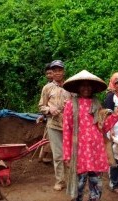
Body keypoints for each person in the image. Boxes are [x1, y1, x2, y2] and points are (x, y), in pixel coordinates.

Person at [62, 70, 118, 201]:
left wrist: (116, 115)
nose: (86, 88)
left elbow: (104, 127)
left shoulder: (97, 105)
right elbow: (67, 131)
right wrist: (67, 154)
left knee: (95, 187)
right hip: (79, 154)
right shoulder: (70, 105)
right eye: (83, 85)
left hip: (95, 153)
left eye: (89, 86)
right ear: (78, 88)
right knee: (78, 187)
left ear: (93, 89)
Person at [38, 60, 72, 191]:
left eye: (60, 70)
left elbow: (76, 104)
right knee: (58, 155)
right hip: (53, 125)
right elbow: (41, 105)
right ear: (51, 73)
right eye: (55, 70)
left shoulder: (70, 86)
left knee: (69, 154)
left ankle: (70, 180)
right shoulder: (47, 88)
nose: (57, 73)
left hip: (69, 126)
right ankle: (60, 181)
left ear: (63, 71)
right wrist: (49, 110)